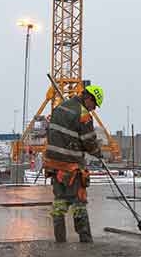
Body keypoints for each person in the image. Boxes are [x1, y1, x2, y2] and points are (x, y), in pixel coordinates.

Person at [43, 85, 104, 243]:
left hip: (53, 165)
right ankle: (85, 241)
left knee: (59, 202)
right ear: (89, 98)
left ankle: (60, 239)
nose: (94, 109)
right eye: (94, 105)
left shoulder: (60, 108)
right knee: (79, 203)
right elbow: (89, 141)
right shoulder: (83, 114)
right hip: (71, 166)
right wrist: (98, 152)